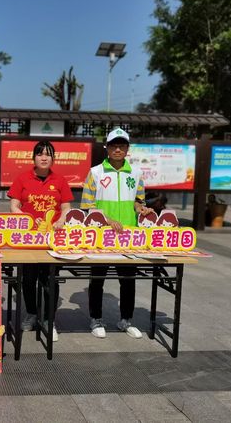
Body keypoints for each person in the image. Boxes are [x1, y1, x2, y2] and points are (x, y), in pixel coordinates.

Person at [81, 128, 153, 339]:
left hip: (128, 235)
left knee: (128, 279)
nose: (118, 149)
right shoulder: (95, 172)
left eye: (122, 146)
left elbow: (139, 201)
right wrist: (107, 220)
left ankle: (126, 320)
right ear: (107, 148)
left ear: (128, 149)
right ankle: (96, 319)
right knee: (97, 279)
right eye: (114, 145)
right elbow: (87, 205)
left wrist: (142, 210)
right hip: (101, 235)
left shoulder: (136, 173)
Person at [8, 141, 73, 342]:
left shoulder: (60, 180)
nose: (44, 157)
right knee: (28, 279)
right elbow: (14, 205)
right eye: (40, 154)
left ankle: (48, 320)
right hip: (28, 240)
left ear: (53, 158)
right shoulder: (22, 178)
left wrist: (62, 220)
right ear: (33, 157)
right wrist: (26, 219)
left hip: (53, 240)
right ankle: (31, 313)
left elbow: (66, 208)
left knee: (50, 279)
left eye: (48, 154)